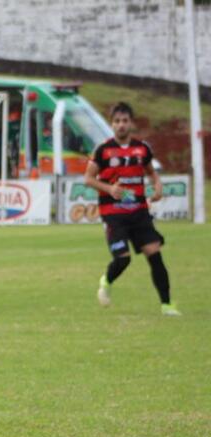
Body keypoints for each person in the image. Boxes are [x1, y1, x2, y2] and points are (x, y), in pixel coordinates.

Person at [85, 102, 180, 315]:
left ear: (131, 123)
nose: (121, 125)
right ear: (112, 124)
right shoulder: (103, 150)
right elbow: (88, 179)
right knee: (123, 259)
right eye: (117, 121)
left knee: (154, 254)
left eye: (125, 121)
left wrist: (157, 185)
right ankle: (106, 280)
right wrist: (109, 188)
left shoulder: (142, 149)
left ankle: (167, 305)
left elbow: (151, 172)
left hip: (139, 212)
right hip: (113, 215)